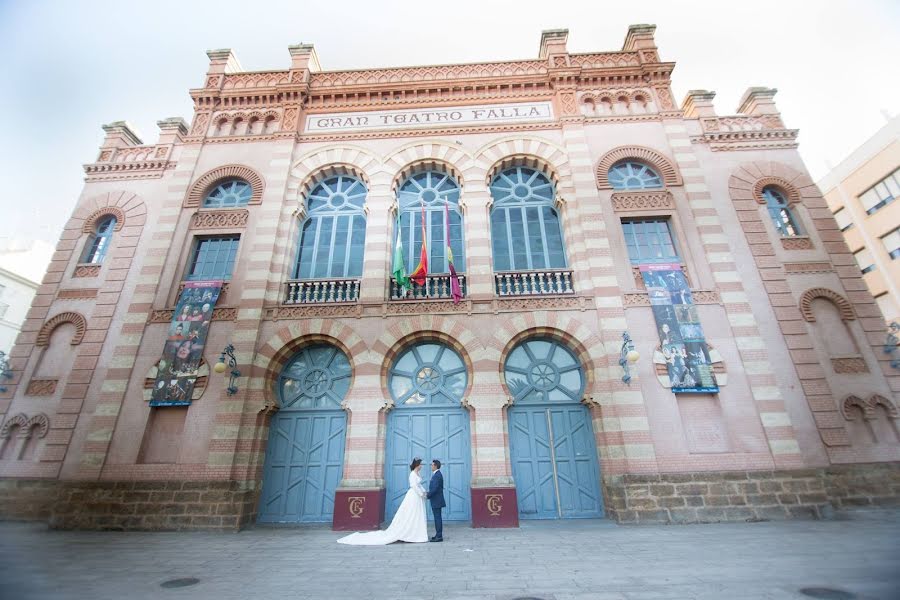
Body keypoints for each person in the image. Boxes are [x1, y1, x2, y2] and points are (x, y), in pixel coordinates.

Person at [337, 457, 428, 545]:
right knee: (410, 513)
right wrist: (421, 493)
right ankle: (409, 533)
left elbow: (419, 485)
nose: (421, 466)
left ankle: (415, 533)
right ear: (417, 465)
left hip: (417, 496)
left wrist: (424, 491)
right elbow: (414, 486)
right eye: (421, 464)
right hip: (413, 495)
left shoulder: (417, 473)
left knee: (416, 514)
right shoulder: (412, 474)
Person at [426, 459, 445, 542]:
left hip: (437, 500)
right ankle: (438, 534)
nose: (431, 466)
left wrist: (428, 495)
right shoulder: (436, 474)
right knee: (437, 517)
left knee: (437, 518)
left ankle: (439, 536)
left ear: (435, 466)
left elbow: (435, 488)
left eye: (432, 465)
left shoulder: (437, 475)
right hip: (436, 500)